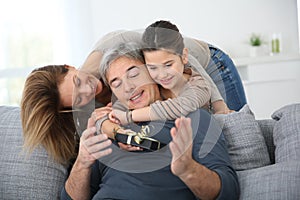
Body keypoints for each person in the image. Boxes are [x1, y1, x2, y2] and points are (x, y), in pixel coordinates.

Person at [61, 42, 240, 200]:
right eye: (116, 83)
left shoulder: (194, 118)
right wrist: (82, 163)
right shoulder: (110, 127)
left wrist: (188, 170)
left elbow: (228, 191)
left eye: (133, 74)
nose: (128, 87)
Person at [110, 20, 232, 125]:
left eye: (168, 65)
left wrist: (128, 117)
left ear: (184, 57)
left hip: (215, 59)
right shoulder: (154, 83)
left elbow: (178, 107)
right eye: (153, 68)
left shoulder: (200, 86)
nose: (162, 75)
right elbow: (121, 104)